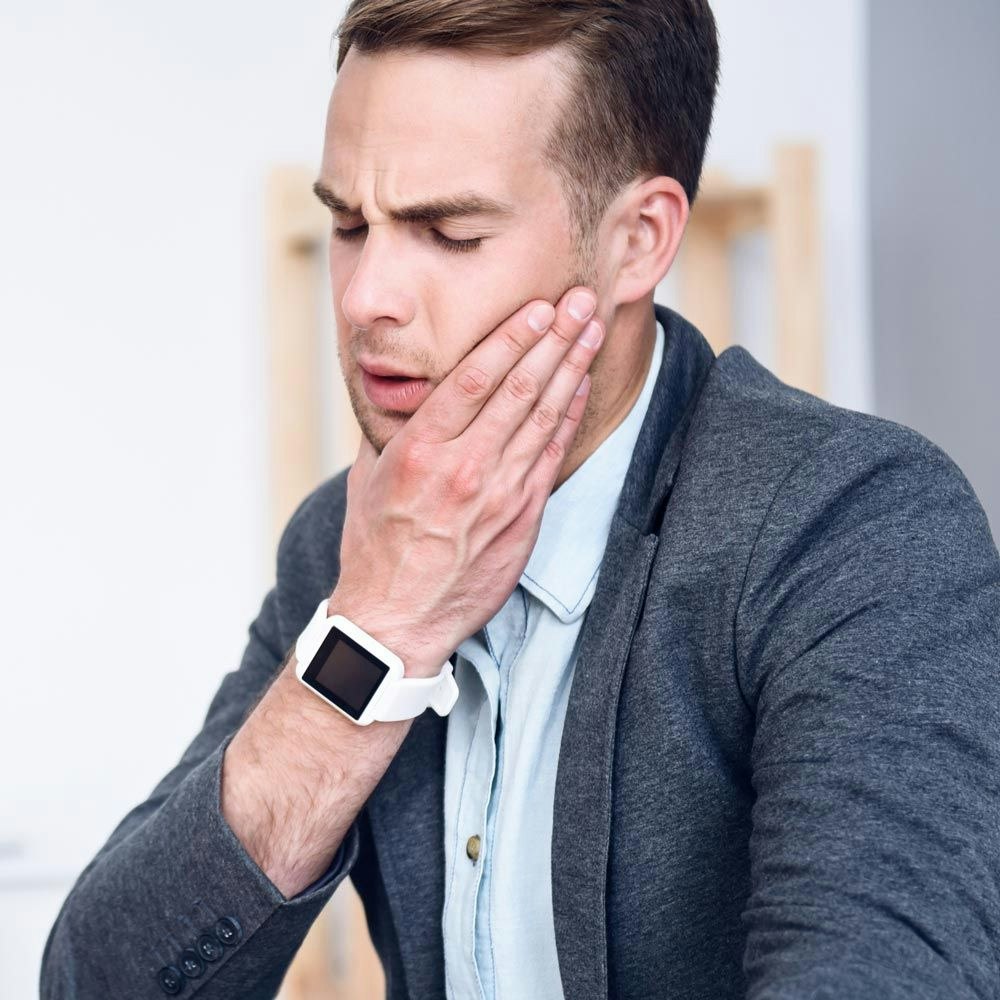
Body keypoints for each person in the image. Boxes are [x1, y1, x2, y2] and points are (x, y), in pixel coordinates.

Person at [41, 1, 1000, 998]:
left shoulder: (854, 526)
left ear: (638, 240)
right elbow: (97, 981)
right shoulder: (353, 541)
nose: (367, 295)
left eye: (447, 232)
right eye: (346, 223)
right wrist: (377, 630)